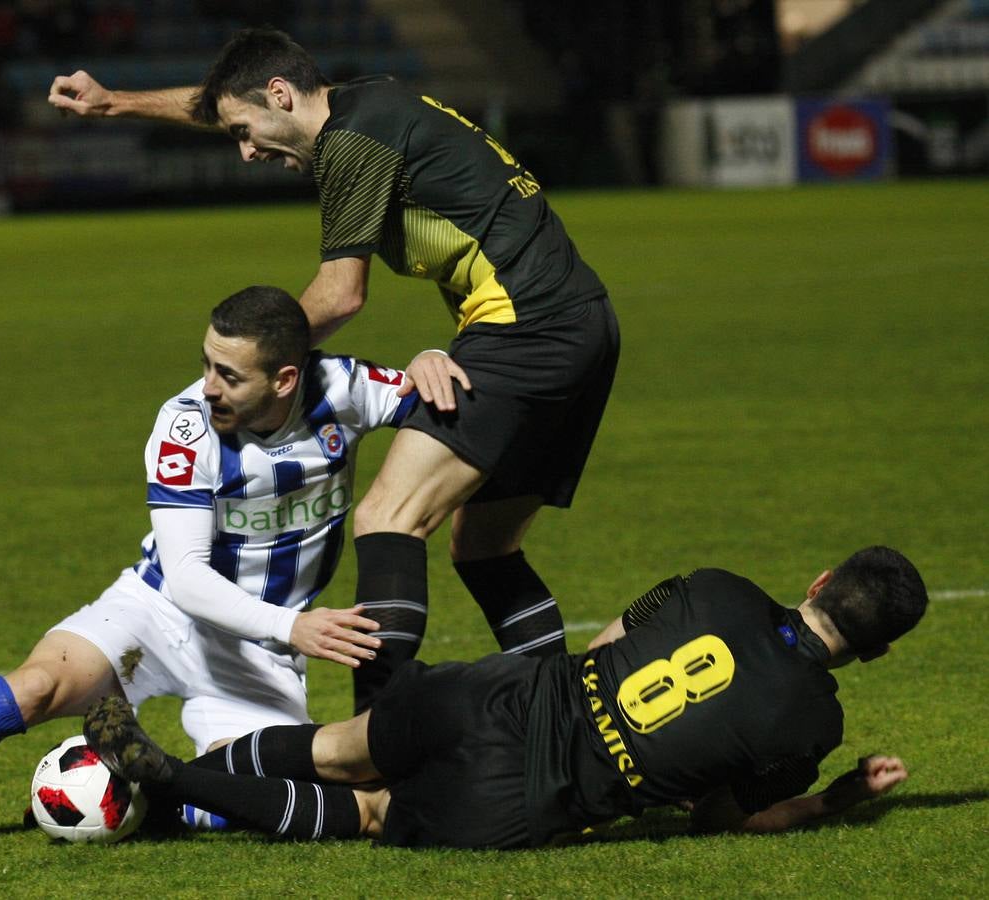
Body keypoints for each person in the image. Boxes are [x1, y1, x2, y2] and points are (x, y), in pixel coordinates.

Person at [49, 28, 620, 711]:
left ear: (282, 96)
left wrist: (235, 369)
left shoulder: (351, 145)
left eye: (245, 131)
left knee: (386, 520)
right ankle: (566, 723)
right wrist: (115, 104)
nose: (246, 150)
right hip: (584, 325)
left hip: (525, 330)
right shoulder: (362, 106)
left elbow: (339, 295)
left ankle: (372, 745)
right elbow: (222, 102)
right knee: (484, 547)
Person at [0, 285, 414, 863]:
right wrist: (294, 626)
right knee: (36, 685)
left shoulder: (343, 387)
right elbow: (189, 578)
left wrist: (436, 358)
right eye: (205, 364)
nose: (208, 387)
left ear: (285, 379)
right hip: (160, 610)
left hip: (261, 652)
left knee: (246, 793)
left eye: (228, 375)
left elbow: (442, 405)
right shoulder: (185, 425)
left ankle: (149, 789)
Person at [84, 546, 926, 849]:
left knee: (340, 745)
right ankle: (170, 785)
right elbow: (722, 818)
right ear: (879, 651)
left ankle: (153, 785)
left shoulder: (718, 586)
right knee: (373, 813)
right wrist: (840, 797)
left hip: (503, 695)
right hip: (529, 797)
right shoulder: (815, 726)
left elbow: (609, 646)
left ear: (821, 579)